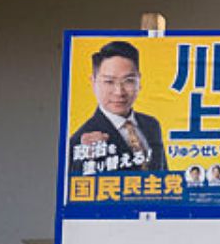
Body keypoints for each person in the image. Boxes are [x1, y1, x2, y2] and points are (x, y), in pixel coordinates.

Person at [67, 41, 166, 177]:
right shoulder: (81, 140)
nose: (119, 92)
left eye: (129, 81)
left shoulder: (152, 124)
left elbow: (166, 177)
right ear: (93, 82)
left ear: (139, 81)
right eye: (109, 82)